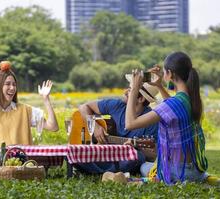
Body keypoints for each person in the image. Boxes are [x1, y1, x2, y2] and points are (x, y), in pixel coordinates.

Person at [125, 52, 208, 184]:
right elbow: (173, 108)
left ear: (170, 74)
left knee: (144, 167)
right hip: (197, 171)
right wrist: (158, 85)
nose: (163, 76)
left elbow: (130, 123)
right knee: (148, 168)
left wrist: (134, 89)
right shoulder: (193, 100)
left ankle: (133, 181)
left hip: (181, 173)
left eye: (164, 72)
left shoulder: (173, 104)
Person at [0, 61, 59, 168]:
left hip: (20, 157)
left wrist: (46, 99)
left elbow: (53, 127)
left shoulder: (25, 110)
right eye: (7, 84)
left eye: (14, 84)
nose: (12, 88)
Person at [76, 77, 159, 174]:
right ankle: (106, 171)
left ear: (140, 99)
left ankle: (94, 170)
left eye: (131, 90)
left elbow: (153, 155)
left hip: (125, 157)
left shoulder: (151, 119)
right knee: (77, 152)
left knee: (136, 157)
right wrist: (95, 126)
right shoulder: (117, 104)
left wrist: (135, 146)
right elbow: (84, 107)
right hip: (108, 152)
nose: (125, 91)